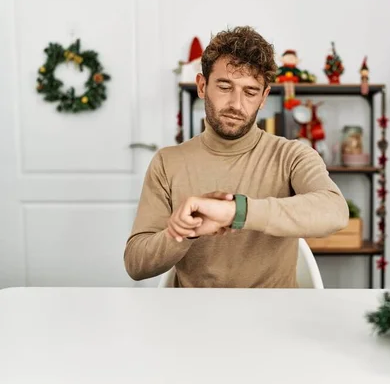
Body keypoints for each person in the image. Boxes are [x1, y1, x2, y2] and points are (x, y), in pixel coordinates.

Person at [124, 26, 349, 288]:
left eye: (250, 92)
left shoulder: (292, 156)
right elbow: (136, 265)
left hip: (274, 317)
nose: (236, 104)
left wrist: (236, 211)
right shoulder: (167, 162)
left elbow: (334, 212)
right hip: (192, 317)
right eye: (224, 86)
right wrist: (183, 233)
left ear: (264, 97)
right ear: (202, 85)